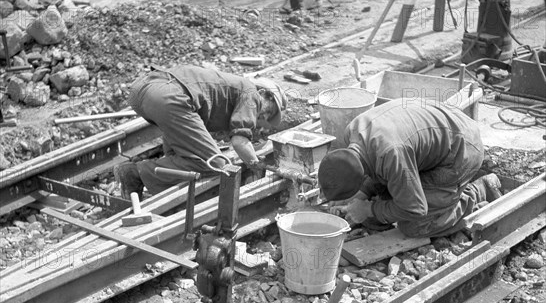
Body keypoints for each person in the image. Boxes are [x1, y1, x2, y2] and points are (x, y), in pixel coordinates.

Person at [318, 98, 502, 238]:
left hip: (462, 150)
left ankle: (477, 190)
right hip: (443, 130)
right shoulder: (353, 130)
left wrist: (367, 210)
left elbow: (415, 209)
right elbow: (372, 163)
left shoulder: (392, 153)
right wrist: (362, 194)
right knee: (386, 200)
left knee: (414, 226)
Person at [114, 64, 287, 199]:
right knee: (216, 164)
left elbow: (192, 131)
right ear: (263, 93)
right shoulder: (251, 93)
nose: (264, 116)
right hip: (170, 96)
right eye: (269, 110)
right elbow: (239, 141)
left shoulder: (229, 90)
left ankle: (155, 184)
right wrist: (255, 164)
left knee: (181, 155)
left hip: (144, 91)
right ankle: (134, 173)